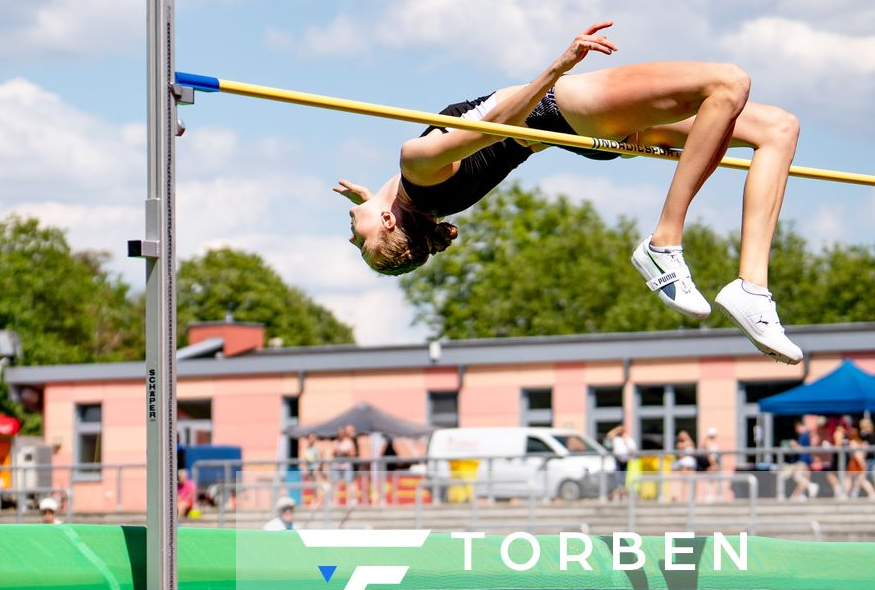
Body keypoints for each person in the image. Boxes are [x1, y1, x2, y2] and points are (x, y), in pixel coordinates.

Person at [335, 22, 804, 364]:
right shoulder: (418, 164)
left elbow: (405, 197)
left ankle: (752, 288)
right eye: (362, 241)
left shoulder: (431, 198)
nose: (353, 235)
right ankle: (663, 242)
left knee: (779, 129)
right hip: (565, 107)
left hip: (583, 127)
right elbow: (495, 127)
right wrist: (555, 69)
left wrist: (373, 199)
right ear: (392, 220)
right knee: (729, 81)